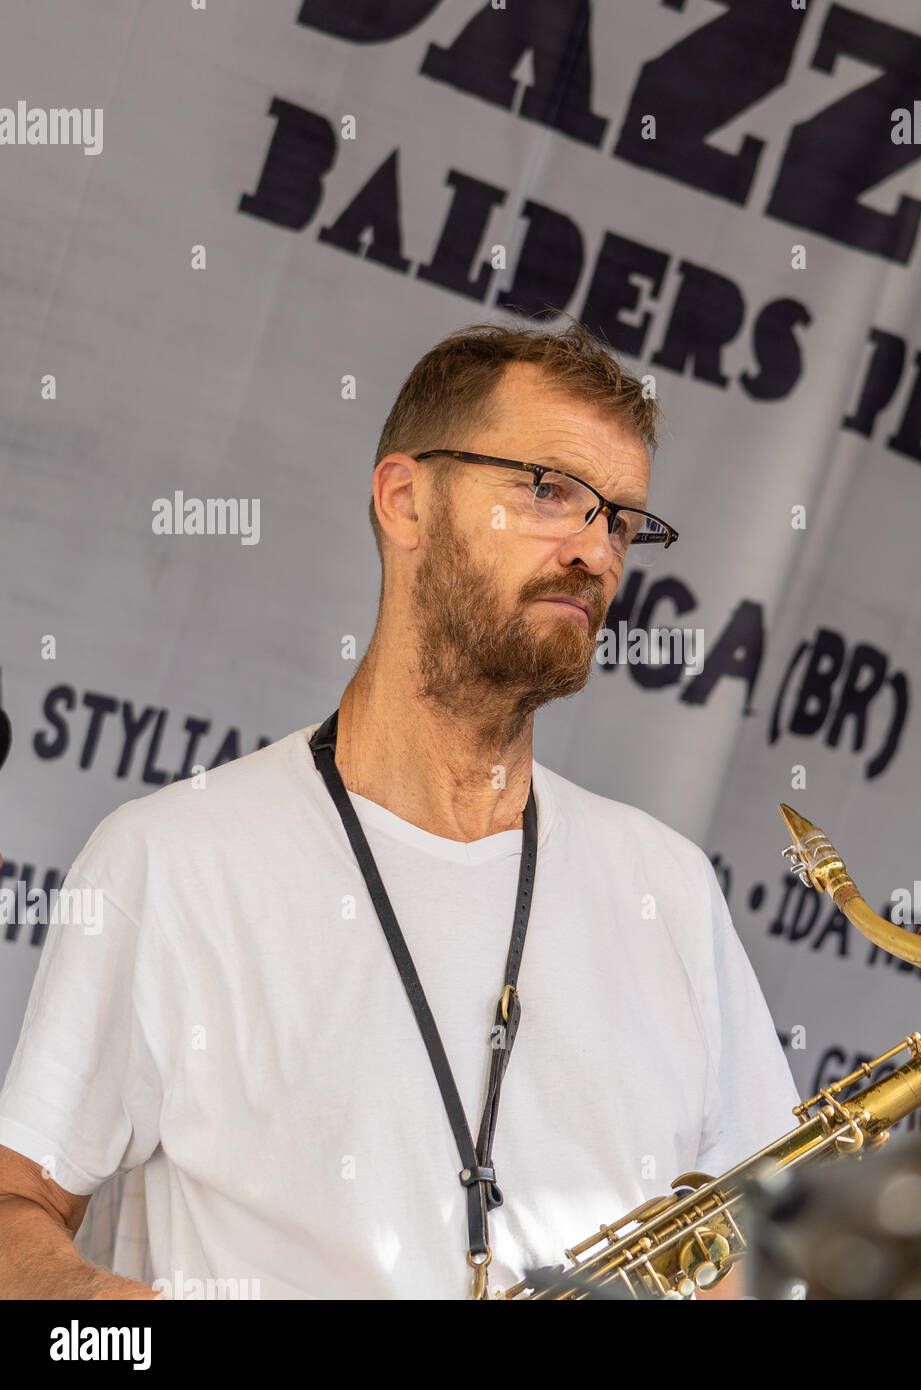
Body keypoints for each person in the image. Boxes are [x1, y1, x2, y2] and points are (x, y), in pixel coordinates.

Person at [0, 317, 800, 1299]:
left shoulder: (667, 886)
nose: (595, 550)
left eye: (622, 520)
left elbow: (745, 1250)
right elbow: (15, 1207)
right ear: (405, 499)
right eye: (549, 491)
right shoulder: (168, 859)